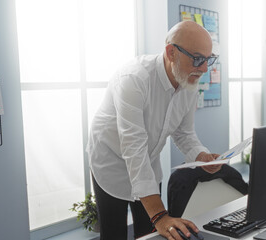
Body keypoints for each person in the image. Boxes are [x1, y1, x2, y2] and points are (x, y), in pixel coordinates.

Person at [87, 21, 222, 240]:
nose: (205, 68)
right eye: (198, 58)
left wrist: (202, 156)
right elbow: (133, 147)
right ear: (171, 52)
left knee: (150, 234)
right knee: (114, 234)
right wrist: (160, 215)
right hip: (110, 160)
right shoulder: (134, 79)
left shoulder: (189, 82)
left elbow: (184, 133)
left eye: (208, 59)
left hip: (147, 161)